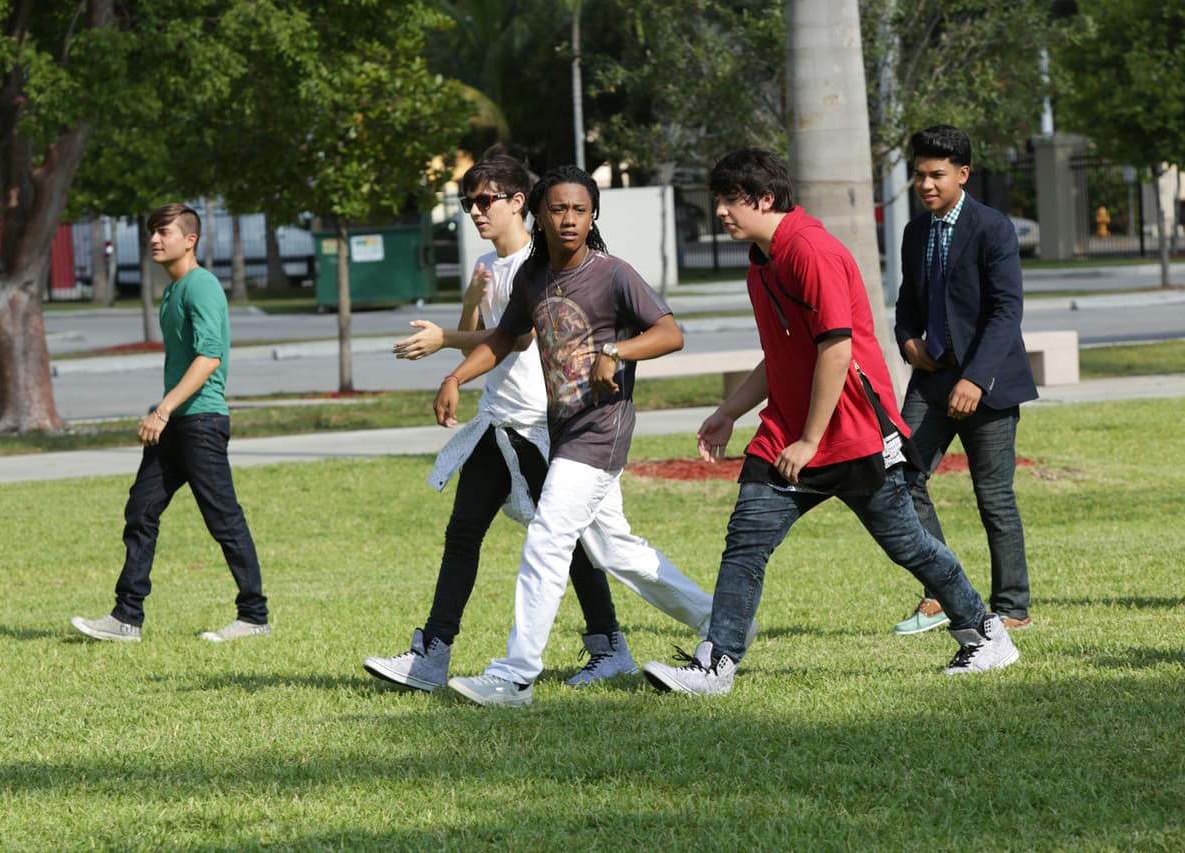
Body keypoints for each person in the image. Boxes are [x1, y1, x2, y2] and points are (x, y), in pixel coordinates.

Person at [641, 149, 1019, 696]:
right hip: (788, 435)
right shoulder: (762, 261)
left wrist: (810, 440)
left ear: (764, 200)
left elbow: (836, 350)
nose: (720, 211)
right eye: (717, 199)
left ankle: (985, 633)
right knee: (746, 540)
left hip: (852, 433)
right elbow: (782, 355)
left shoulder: (810, 251)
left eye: (730, 200)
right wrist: (728, 413)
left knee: (908, 545)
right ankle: (715, 665)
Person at [438, 164, 723, 707]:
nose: (569, 219)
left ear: (593, 217)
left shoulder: (613, 274)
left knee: (548, 538)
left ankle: (514, 676)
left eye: (580, 210)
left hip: (601, 429)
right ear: (539, 215)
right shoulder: (534, 278)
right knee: (615, 550)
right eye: (558, 209)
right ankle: (723, 622)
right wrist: (455, 377)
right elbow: (504, 338)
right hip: (563, 430)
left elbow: (669, 333)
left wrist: (616, 351)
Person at [363, 152, 639, 691]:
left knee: (570, 542)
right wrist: (468, 308)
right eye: (469, 203)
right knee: (462, 535)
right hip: (497, 422)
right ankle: (432, 654)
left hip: (537, 426)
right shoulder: (490, 266)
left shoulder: (538, 265)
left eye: (485, 200)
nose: (475, 211)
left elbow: (517, 338)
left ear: (517, 202)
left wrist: (446, 342)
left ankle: (609, 647)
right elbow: (482, 336)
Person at [70, 204, 270, 643]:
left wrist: (162, 409)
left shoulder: (201, 287)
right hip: (176, 423)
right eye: (152, 233)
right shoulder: (174, 289)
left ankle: (254, 616)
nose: (155, 240)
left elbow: (209, 357)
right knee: (141, 510)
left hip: (200, 422)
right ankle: (126, 618)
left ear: (190, 240)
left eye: (164, 232)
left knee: (223, 519)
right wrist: (167, 413)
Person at [891, 125, 1037, 636]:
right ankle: (941, 592)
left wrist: (975, 379)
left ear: (963, 174)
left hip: (988, 382)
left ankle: (1012, 607)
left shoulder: (993, 228)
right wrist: (907, 341)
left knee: (993, 497)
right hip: (932, 378)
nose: (926, 184)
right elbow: (907, 303)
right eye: (919, 175)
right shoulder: (915, 232)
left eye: (936, 174)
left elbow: (1006, 311)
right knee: (901, 476)